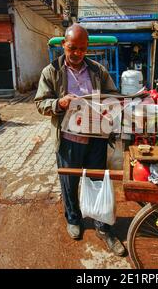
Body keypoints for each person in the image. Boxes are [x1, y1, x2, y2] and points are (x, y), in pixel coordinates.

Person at [34, 24, 125, 256]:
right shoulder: (51, 71)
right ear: (64, 44)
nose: (77, 53)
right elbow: (40, 104)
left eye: (82, 49)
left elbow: (113, 95)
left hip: (95, 138)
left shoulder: (98, 70)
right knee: (69, 184)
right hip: (68, 139)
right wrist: (60, 103)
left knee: (97, 182)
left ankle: (103, 226)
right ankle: (73, 219)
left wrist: (108, 104)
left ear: (87, 48)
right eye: (72, 48)